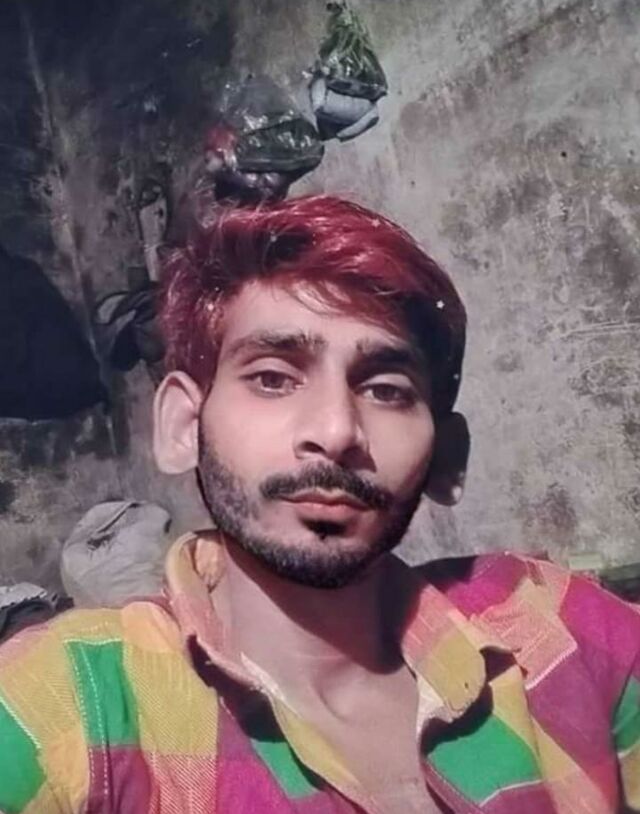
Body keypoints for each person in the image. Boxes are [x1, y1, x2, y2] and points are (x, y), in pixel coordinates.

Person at [0, 196, 639, 814]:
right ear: (182, 428)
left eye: (386, 390)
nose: (336, 430)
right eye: (272, 378)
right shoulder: (67, 703)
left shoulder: (557, 627)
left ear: (446, 458)